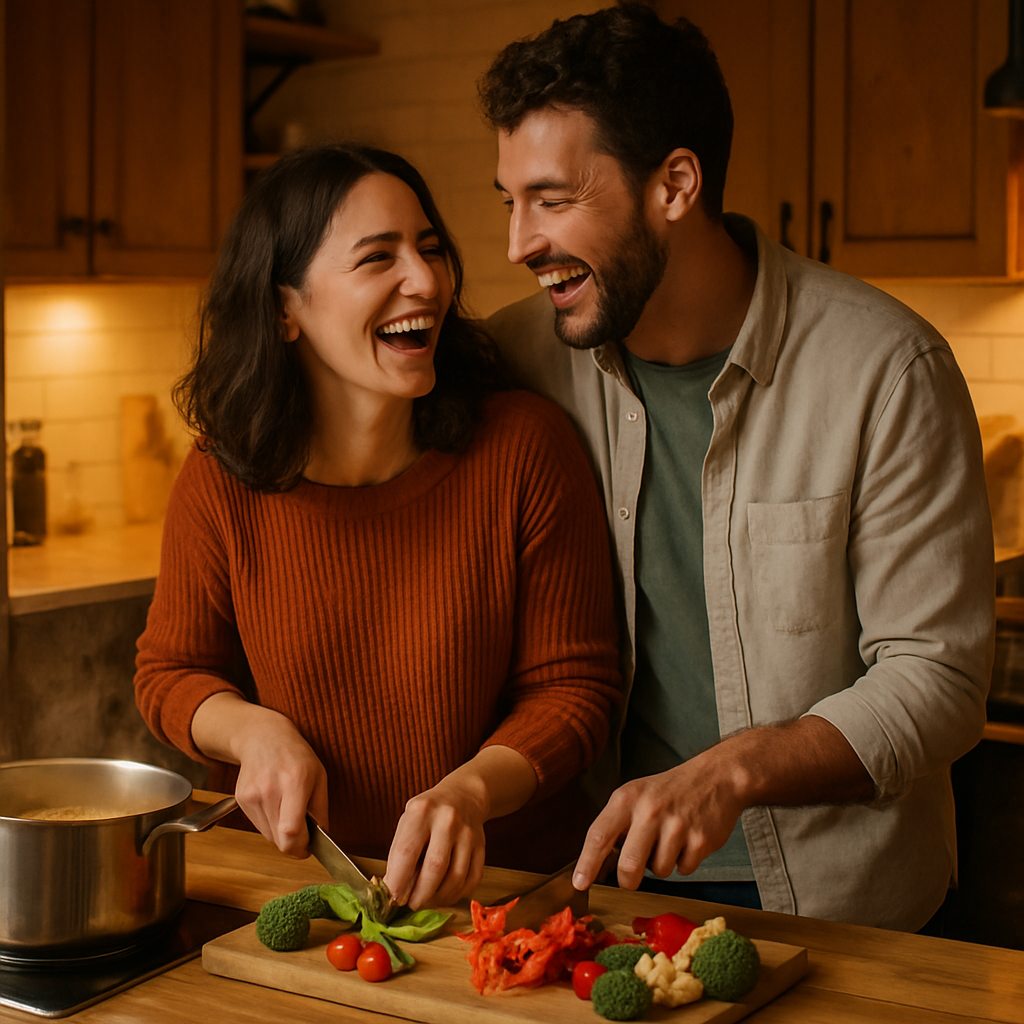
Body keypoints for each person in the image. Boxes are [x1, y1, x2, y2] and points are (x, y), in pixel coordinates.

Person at [478, 3, 994, 931]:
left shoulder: (885, 369)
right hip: (600, 897)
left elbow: (939, 678)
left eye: (552, 199)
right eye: (509, 201)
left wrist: (732, 772)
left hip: (848, 914)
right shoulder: (518, 359)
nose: (519, 242)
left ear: (675, 184)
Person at [134, 143, 621, 910]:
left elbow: (575, 691)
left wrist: (469, 794)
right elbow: (168, 673)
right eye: (377, 258)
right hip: (285, 898)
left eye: (430, 248)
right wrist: (253, 732)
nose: (425, 280)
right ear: (283, 308)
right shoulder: (220, 480)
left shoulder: (525, 449)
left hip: (502, 899)